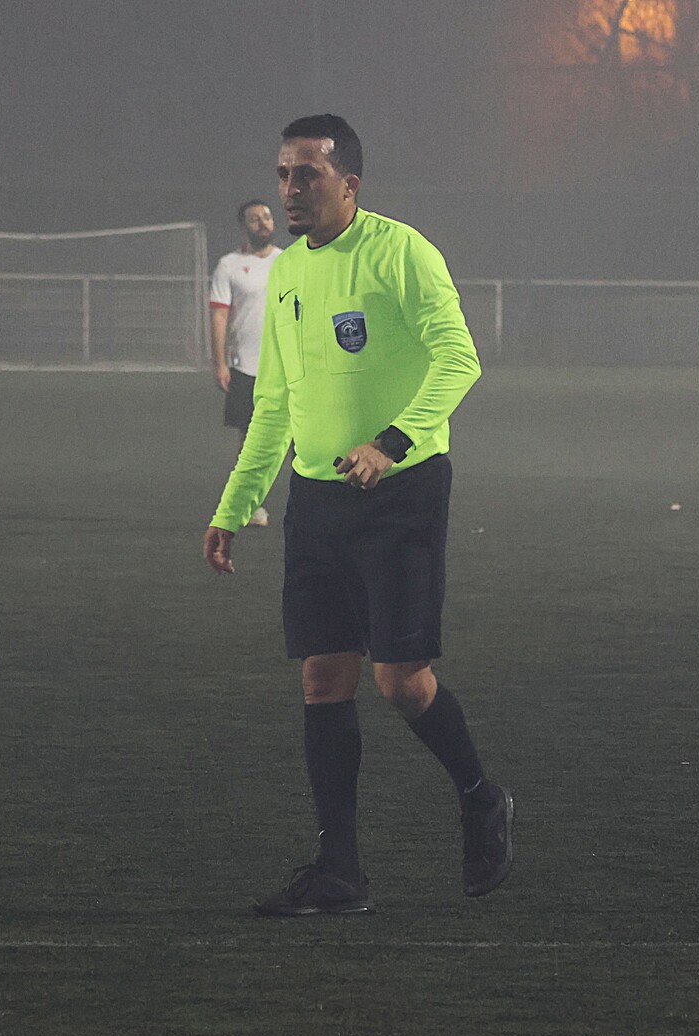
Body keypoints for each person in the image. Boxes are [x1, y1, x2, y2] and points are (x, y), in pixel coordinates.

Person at [203, 114, 512, 916]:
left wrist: (391, 442)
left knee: (400, 681)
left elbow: (459, 358)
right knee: (322, 677)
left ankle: (481, 796)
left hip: (401, 494)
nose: (290, 189)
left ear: (350, 183)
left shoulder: (402, 252)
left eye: (307, 174)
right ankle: (340, 874)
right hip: (317, 501)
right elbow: (274, 404)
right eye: (283, 174)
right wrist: (236, 504)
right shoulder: (287, 274)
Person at [209, 200, 282, 527]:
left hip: (287, 367)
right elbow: (219, 315)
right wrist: (220, 363)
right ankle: (249, 504)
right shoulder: (229, 266)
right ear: (244, 226)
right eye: (255, 219)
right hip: (246, 367)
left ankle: (312, 504)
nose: (263, 223)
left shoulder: (288, 261)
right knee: (250, 440)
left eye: (267, 217)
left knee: (301, 439)